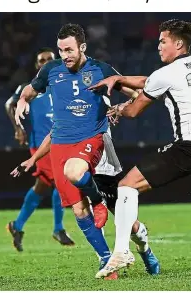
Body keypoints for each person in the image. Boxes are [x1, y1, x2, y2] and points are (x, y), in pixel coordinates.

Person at [89, 19, 191, 277]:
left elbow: (135, 110)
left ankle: (121, 251)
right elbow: (151, 81)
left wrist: (117, 108)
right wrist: (120, 79)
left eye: (163, 41)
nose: (159, 46)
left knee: (127, 184)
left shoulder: (167, 74)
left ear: (179, 43)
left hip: (189, 146)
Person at [12, 96, 161, 275]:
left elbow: (137, 93)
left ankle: (145, 250)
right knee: (81, 210)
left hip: (104, 167)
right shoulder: (65, 94)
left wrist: (121, 107)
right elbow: (55, 131)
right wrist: (34, 158)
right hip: (77, 166)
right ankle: (105, 260)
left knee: (130, 224)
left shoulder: (98, 89)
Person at [5, 47, 75, 251]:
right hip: (41, 146)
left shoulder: (64, 86)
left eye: (49, 60)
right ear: (37, 66)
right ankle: (58, 228)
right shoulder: (29, 88)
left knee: (42, 187)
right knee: (61, 181)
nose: (45, 63)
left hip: (62, 141)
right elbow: (9, 104)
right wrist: (18, 128)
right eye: (41, 60)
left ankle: (16, 226)